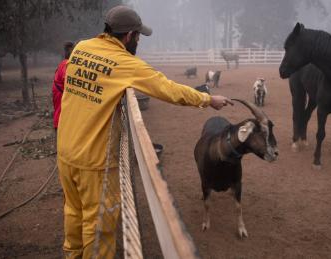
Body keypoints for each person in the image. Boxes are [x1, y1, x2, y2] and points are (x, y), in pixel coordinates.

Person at [56, 5, 233, 259]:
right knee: (99, 228)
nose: (138, 41)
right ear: (129, 36)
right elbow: (169, 89)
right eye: (138, 36)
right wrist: (207, 99)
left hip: (65, 150)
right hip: (93, 161)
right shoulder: (126, 63)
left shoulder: (81, 48)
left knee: (73, 212)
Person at [52, 42, 74, 130]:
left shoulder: (63, 63)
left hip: (58, 95)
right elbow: (68, 80)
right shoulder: (66, 64)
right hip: (61, 122)